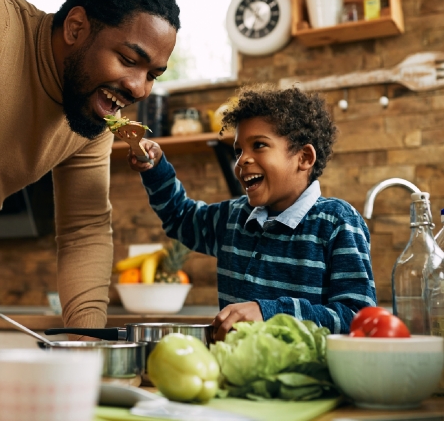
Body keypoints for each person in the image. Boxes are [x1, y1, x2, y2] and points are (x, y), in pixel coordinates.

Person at [0, 0, 180, 399]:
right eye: (129, 59)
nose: (139, 88)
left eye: (153, 74)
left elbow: (84, 230)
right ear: (77, 27)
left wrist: (85, 346)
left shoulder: (88, 116)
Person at [128, 85, 377, 341]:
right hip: (237, 374)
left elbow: (360, 318)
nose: (242, 160)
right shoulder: (232, 219)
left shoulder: (337, 222)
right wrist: (155, 168)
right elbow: (179, 216)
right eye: (238, 151)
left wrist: (269, 312)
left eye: (259, 145)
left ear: (304, 157)